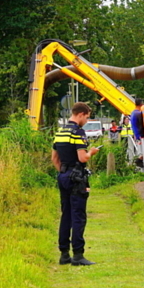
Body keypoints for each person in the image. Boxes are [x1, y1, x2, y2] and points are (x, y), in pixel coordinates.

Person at [51, 102, 101, 266]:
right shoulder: (78, 132)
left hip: (63, 175)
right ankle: (78, 255)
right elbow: (82, 158)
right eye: (87, 117)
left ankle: (64, 254)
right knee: (78, 215)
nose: (87, 121)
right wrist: (91, 152)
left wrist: (63, 172)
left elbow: (54, 158)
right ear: (80, 114)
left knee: (66, 214)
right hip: (76, 177)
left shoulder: (60, 131)